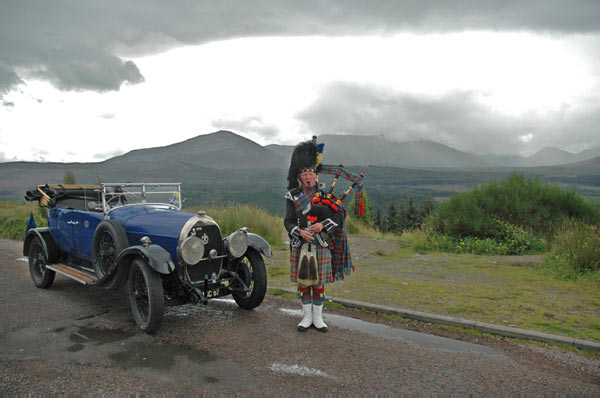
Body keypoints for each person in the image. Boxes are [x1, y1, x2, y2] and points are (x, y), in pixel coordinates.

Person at [284, 138, 352, 333]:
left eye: (310, 174)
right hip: (300, 244)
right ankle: (306, 317)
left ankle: (318, 318)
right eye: (304, 174)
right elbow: (287, 221)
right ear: (299, 177)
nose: (308, 177)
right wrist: (299, 231)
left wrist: (322, 224)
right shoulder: (292, 196)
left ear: (315, 176)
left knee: (319, 283)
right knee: (305, 283)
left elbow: (339, 216)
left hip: (321, 243)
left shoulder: (326, 196)